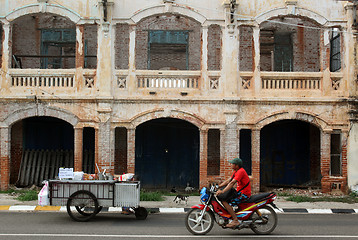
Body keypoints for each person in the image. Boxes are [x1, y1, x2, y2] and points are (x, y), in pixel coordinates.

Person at [216, 157, 251, 228]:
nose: (231, 165)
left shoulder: (241, 171)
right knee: (226, 198)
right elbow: (228, 181)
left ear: (236, 165)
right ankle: (232, 216)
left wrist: (222, 191)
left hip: (244, 194)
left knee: (224, 201)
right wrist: (218, 187)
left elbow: (232, 183)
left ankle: (235, 220)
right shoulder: (236, 172)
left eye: (232, 164)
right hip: (239, 192)